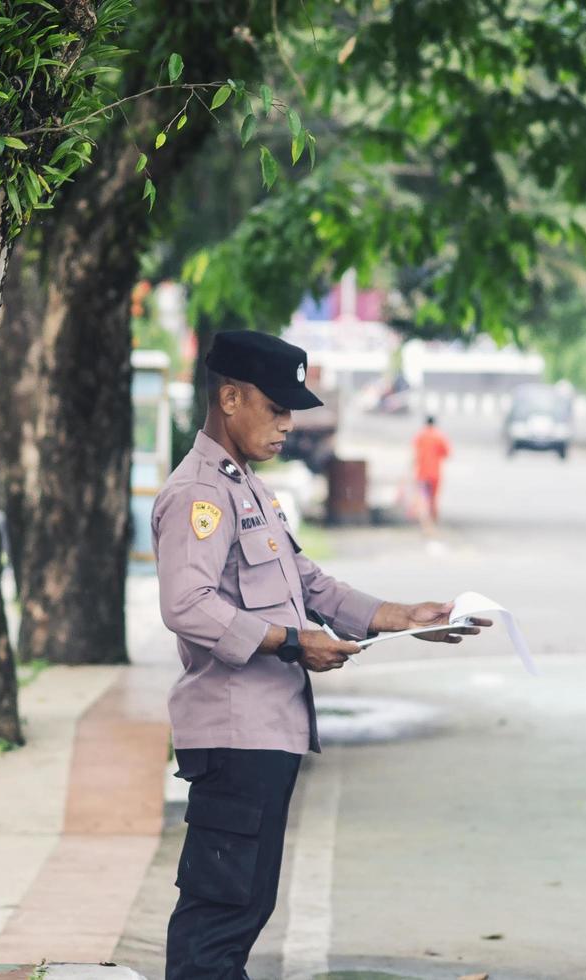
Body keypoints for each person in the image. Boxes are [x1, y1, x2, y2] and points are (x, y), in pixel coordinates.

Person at [153, 331, 489, 980]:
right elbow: (186, 606)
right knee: (218, 922)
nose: (287, 424)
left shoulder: (248, 489)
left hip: (263, 737)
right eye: (275, 409)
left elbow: (308, 585)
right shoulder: (199, 495)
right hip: (233, 738)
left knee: (242, 911)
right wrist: (287, 641)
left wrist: (404, 617)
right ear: (229, 398)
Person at [412, 415, 451, 526]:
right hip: (435, 473)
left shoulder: (420, 436)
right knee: (433, 498)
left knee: (423, 497)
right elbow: (446, 453)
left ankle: (423, 520)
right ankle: (433, 519)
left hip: (422, 472)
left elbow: (415, 453)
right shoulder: (439, 437)